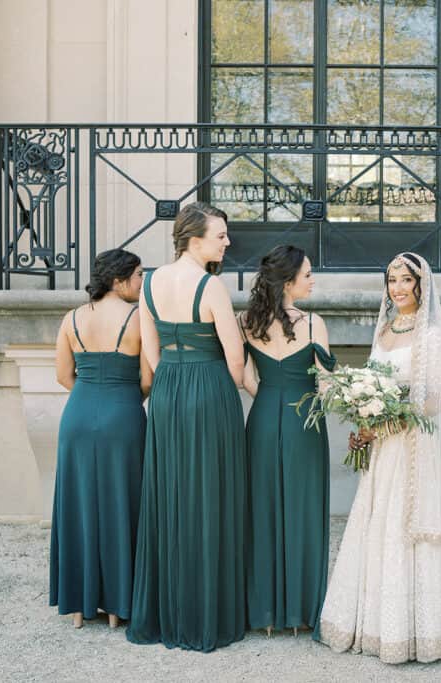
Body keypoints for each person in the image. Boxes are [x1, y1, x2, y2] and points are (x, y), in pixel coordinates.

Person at [317, 252, 441, 663]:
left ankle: (426, 630)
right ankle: (376, 624)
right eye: (391, 280)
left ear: (420, 285)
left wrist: (387, 420)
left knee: (409, 523)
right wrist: (364, 421)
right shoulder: (384, 329)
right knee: (379, 523)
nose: (397, 288)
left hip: (414, 447)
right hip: (382, 448)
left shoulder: (430, 335)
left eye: (405, 281)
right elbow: (372, 384)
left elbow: (433, 400)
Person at [127, 202, 248, 652]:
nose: (227, 242)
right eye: (220, 236)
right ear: (195, 240)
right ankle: (206, 614)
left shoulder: (152, 281)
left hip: (168, 390)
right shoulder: (211, 286)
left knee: (169, 496)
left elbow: (151, 350)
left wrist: (171, 381)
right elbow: (235, 361)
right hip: (210, 388)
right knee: (210, 495)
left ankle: (166, 612)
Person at [50, 248, 150, 629]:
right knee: (122, 502)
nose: (142, 283)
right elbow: (147, 379)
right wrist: (122, 399)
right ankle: (117, 602)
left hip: (76, 416)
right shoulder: (140, 317)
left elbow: (63, 375)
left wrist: (90, 395)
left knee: (78, 504)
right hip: (122, 415)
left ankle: (79, 602)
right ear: (118, 280)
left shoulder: (71, 318)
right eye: (138, 275)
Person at [241, 245, 335, 638]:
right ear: (289, 280)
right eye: (308, 274)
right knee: (304, 509)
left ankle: (263, 612)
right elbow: (328, 385)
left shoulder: (246, 322)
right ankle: (301, 612)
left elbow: (245, 378)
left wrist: (267, 395)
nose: (312, 280)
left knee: (262, 510)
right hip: (304, 421)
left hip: (262, 416)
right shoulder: (313, 324)